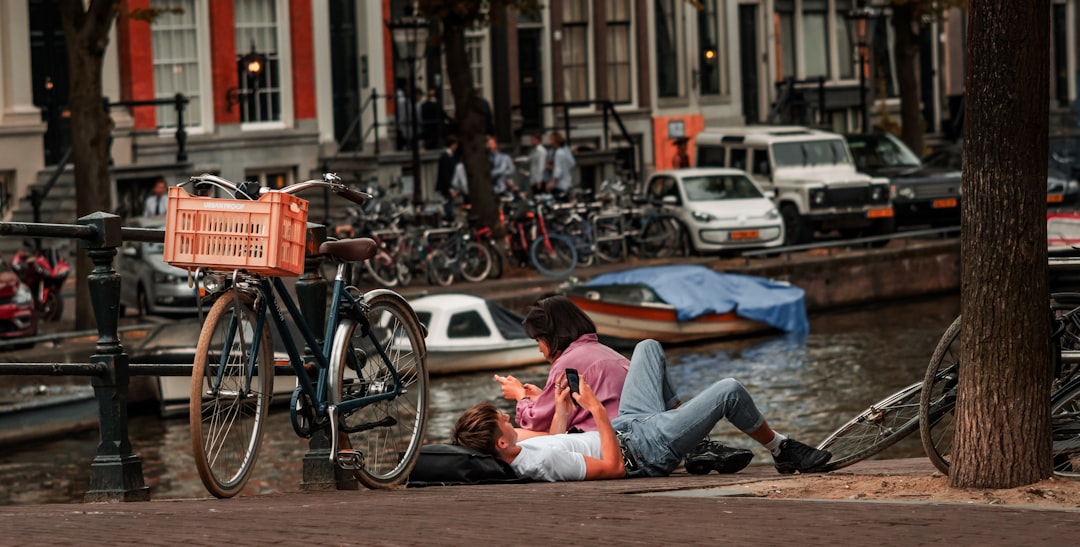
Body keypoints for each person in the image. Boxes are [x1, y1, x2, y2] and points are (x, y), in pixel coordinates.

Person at [454, 339, 832, 481]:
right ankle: (782, 449)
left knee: (648, 347)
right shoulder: (539, 466)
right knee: (728, 391)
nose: (510, 418)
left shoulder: (520, 449)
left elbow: (556, 438)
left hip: (629, 426)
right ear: (500, 444)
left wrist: (566, 406)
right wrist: (597, 410)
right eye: (504, 421)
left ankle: (694, 441)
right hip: (643, 451)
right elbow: (614, 468)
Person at [494, 295, 629, 440]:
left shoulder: (567, 362)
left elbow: (536, 422)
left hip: (602, 439)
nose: (540, 349)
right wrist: (542, 398)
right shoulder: (607, 352)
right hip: (626, 431)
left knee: (515, 436)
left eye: (538, 340)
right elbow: (576, 407)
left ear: (551, 336)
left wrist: (520, 395)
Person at [436, 135, 460, 222]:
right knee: (448, 206)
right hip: (446, 187)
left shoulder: (449, 156)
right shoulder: (445, 157)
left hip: (448, 186)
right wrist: (450, 189)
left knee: (449, 205)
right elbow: (445, 174)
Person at [546, 131, 575, 201]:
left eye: (551, 140)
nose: (550, 142)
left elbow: (558, 170)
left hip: (560, 185)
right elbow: (572, 163)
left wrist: (551, 183)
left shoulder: (558, 153)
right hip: (567, 182)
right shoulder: (565, 150)